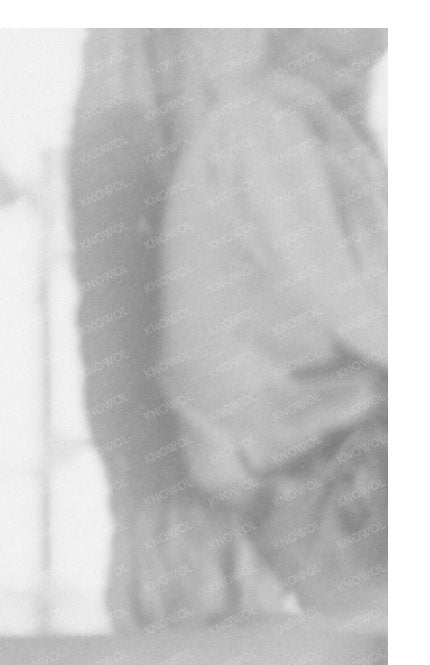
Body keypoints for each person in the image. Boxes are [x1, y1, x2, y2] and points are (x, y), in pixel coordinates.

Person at [160, 28, 387, 615]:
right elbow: (386, 317)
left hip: (341, 469)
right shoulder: (261, 129)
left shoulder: (310, 129)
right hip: (317, 490)